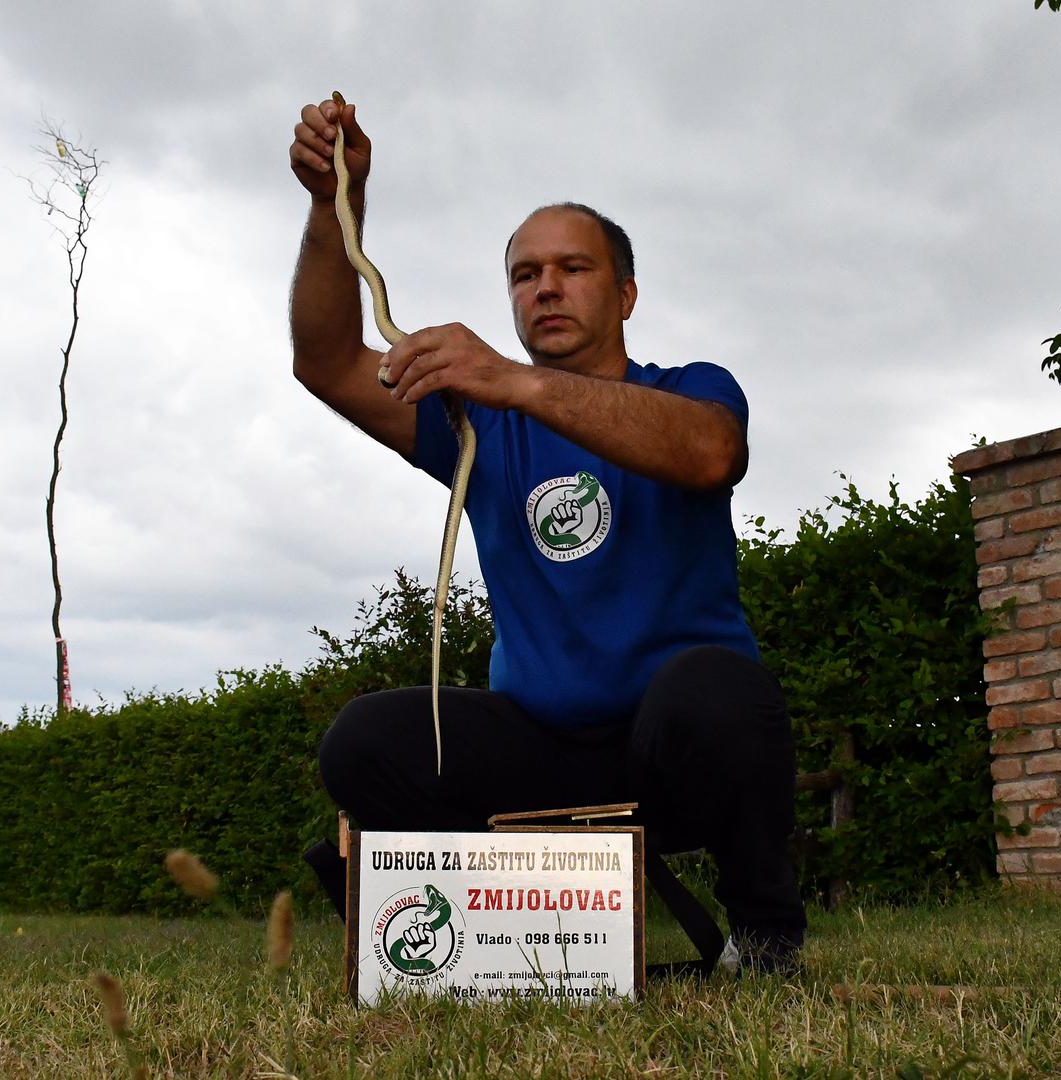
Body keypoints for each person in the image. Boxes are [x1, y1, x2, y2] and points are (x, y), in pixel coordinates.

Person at [286, 94, 805, 972]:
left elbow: (712, 454)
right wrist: (335, 204)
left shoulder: (689, 387)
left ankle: (762, 937)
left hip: (672, 753)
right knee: (365, 740)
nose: (546, 287)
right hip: (541, 750)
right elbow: (326, 361)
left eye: (573, 267)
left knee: (718, 690)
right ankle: (503, 937)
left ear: (625, 292)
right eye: (525, 274)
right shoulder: (472, 425)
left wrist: (515, 382)